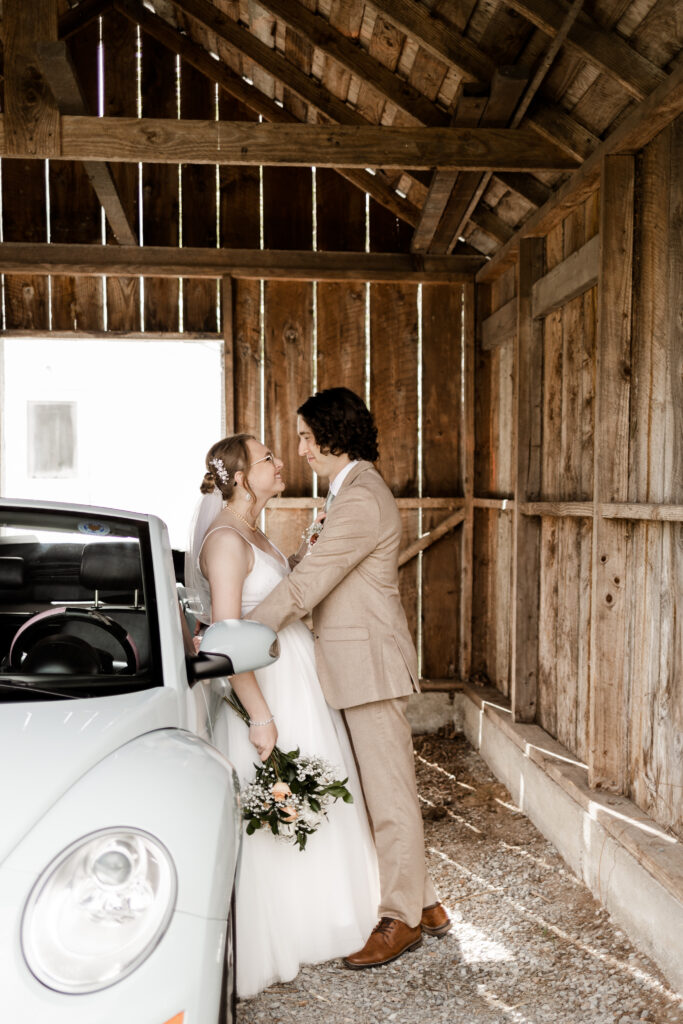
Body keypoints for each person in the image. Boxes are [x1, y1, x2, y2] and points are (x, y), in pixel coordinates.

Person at [246, 387, 451, 970]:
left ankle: (401, 919)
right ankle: (427, 903)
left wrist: (237, 633)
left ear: (333, 436)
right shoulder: (349, 493)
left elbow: (311, 583)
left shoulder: (360, 498)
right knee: (378, 791)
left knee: (389, 797)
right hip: (351, 664)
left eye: (308, 438)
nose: (302, 451)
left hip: (370, 667)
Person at [185, 433, 379, 1000]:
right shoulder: (224, 540)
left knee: (316, 790)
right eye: (267, 456)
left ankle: (329, 914)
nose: (279, 461)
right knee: (280, 801)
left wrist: (302, 559)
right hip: (266, 689)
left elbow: (269, 600)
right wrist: (260, 715)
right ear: (242, 477)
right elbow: (225, 638)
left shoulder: (253, 531)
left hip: (293, 674)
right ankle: (290, 931)